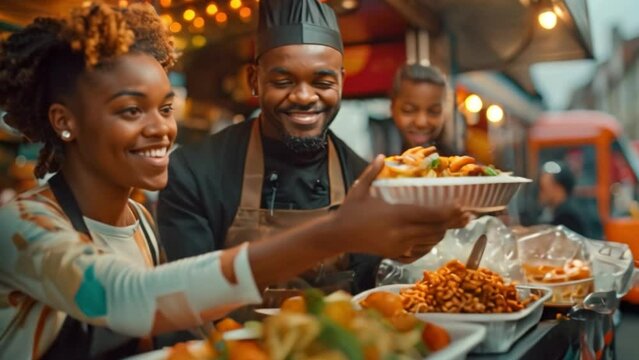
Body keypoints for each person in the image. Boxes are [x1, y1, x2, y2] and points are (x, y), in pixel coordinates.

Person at [0, 3, 468, 358]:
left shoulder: (138, 219)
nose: (161, 128)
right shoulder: (19, 225)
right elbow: (130, 298)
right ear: (65, 121)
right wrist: (335, 232)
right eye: (130, 110)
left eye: (166, 107)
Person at [158, 0, 460, 295]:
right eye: (283, 80)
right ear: (254, 80)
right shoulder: (193, 173)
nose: (304, 96)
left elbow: (369, 301)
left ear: (341, 82)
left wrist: (404, 251)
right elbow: (182, 303)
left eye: (322, 82)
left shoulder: (363, 178)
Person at [370, 63, 453, 156]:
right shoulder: (374, 160)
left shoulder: (457, 166)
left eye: (434, 112)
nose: (421, 122)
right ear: (392, 108)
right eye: (408, 110)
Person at [538, 161, 587, 235]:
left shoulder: (567, 217)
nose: (540, 194)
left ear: (559, 188)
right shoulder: (555, 211)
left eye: (542, 188)